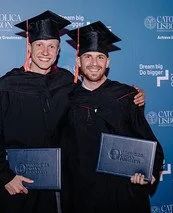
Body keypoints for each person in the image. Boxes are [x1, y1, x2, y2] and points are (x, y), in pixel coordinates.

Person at [0, 10, 145, 213]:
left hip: (62, 185)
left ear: (58, 51)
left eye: (52, 46)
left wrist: (133, 96)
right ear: (29, 48)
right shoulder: (5, 87)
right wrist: (5, 178)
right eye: (40, 45)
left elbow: (96, 97)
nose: (45, 52)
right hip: (20, 183)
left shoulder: (66, 82)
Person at [61, 21, 164, 213]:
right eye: (87, 57)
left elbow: (149, 142)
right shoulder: (68, 99)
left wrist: (146, 172)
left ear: (108, 62)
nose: (94, 63)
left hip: (123, 195)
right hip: (82, 196)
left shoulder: (126, 96)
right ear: (78, 62)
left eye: (100, 57)